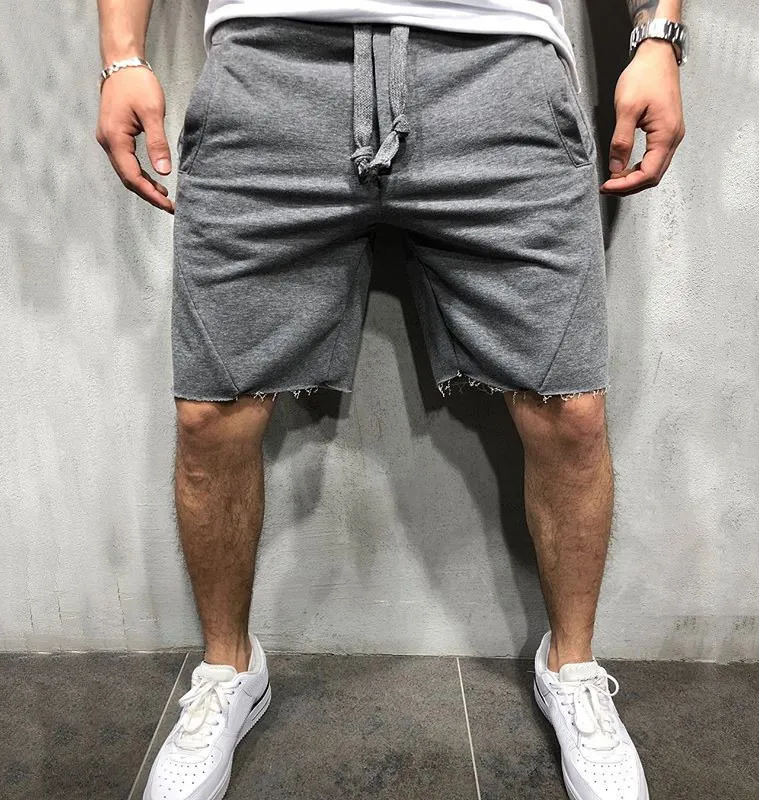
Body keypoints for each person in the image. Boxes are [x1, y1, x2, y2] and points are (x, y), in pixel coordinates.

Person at [95, 1, 686, 798]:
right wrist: (122, 55)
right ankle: (227, 672)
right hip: (270, 68)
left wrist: (657, 36)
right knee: (210, 411)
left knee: (569, 408)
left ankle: (572, 668)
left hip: (499, 70)